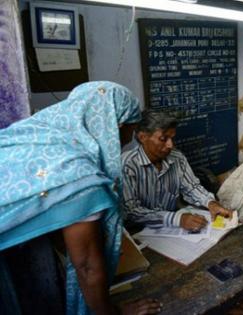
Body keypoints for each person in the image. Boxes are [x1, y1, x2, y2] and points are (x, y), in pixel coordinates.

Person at [0, 81, 161, 315]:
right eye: (132, 130)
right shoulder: (79, 177)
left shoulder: (33, 135)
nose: (130, 140)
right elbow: (86, 266)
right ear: (116, 126)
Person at [122, 111, 231, 232]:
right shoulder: (127, 165)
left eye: (172, 138)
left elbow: (191, 187)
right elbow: (131, 211)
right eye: (163, 139)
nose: (170, 145)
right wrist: (177, 219)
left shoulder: (176, 157)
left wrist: (211, 203)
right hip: (137, 232)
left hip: (170, 230)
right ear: (143, 137)